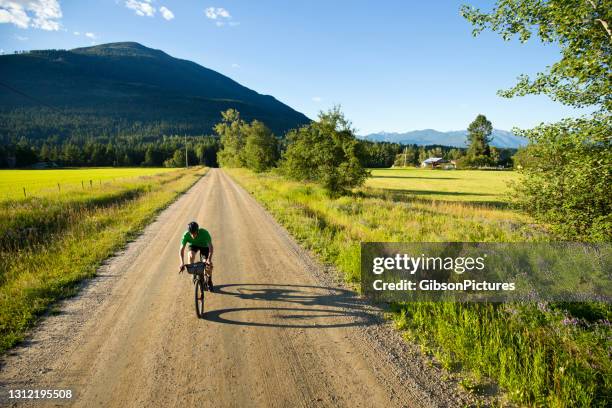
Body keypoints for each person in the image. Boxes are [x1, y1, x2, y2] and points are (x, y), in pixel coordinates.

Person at [179, 221, 214, 291]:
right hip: (193, 245)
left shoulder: (204, 233)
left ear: (198, 230)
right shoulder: (186, 235)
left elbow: (211, 247)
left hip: (204, 246)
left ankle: (209, 280)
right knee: (190, 255)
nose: (193, 236)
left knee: (207, 264)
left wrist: (209, 259)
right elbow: (181, 250)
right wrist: (181, 263)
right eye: (191, 233)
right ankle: (194, 274)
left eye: (194, 233)